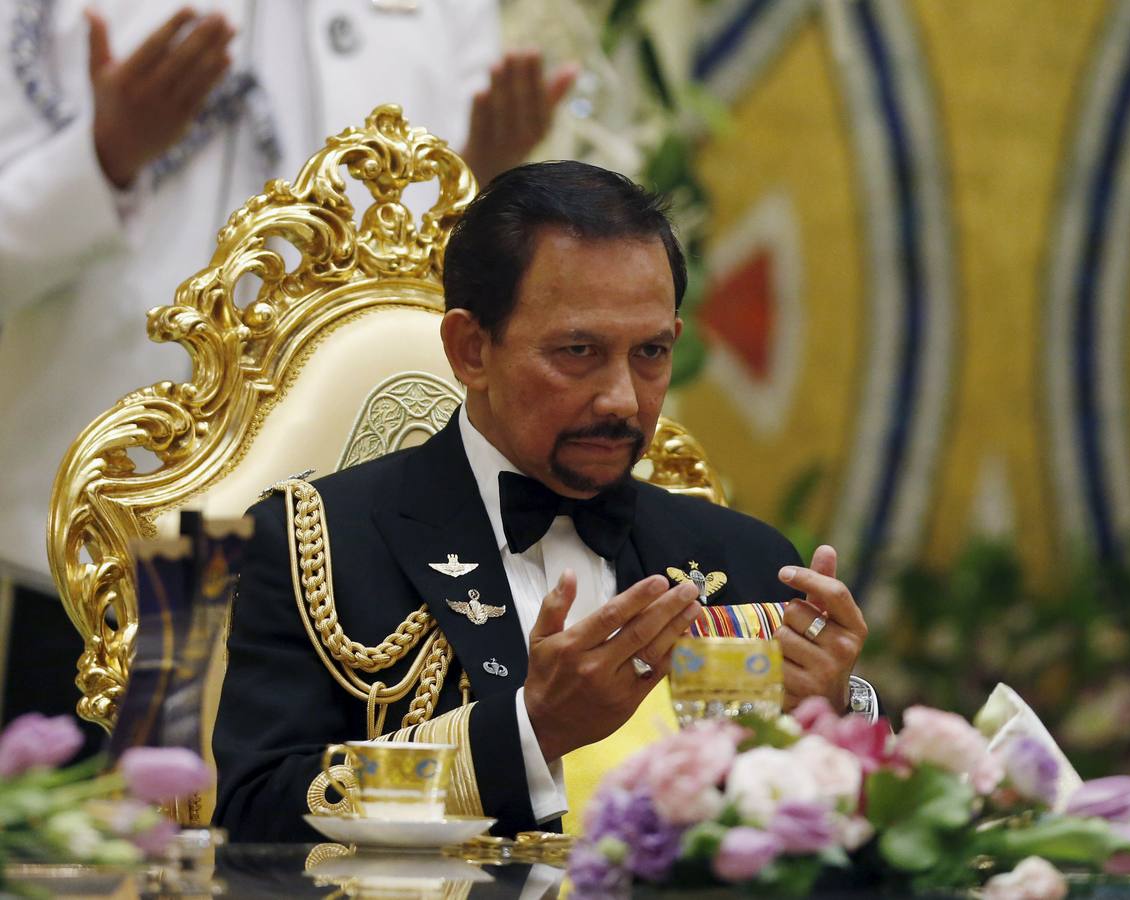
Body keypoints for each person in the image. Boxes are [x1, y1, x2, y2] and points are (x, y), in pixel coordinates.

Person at [212, 160, 870, 842]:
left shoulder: (749, 559)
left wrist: (830, 721)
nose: (621, 399)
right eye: (579, 351)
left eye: (649, 352)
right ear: (471, 349)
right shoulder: (315, 542)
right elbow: (257, 823)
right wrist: (529, 733)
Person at [0, 1, 573, 738]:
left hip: (359, 555)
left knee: (352, 828)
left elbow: (433, 283)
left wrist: (486, 183)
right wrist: (103, 156)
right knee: (99, 835)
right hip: (105, 541)